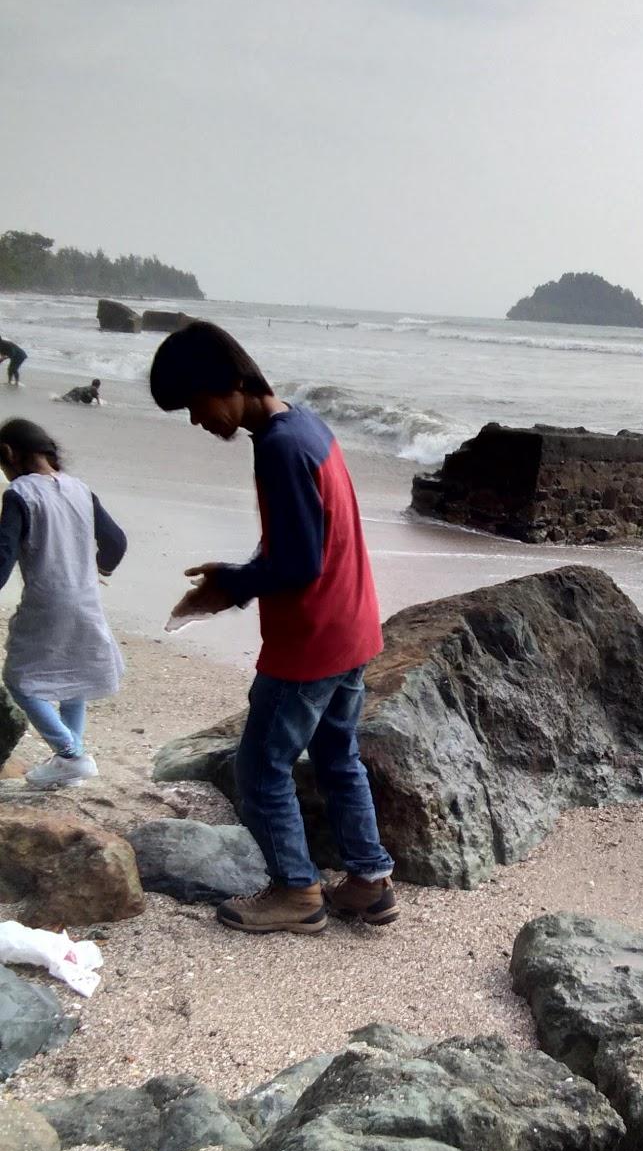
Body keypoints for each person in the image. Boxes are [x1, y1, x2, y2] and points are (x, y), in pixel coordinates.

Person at [149, 320, 398, 936]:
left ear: (232, 382)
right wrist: (241, 574)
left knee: (260, 768)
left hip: (309, 642)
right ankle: (369, 881)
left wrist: (230, 585)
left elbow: (299, 562)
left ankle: (297, 892)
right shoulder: (306, 425)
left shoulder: (280, 446)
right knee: (338, 757)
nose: (195, 420)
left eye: (195, 403)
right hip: (353, 625)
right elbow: (301, 540)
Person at [0, 419, 126, 787]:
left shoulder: (20, 493)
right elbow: (116, 542)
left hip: (47, 600)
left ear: (9, 454)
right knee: (75, 680)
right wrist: (93, 566)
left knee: (19, 680)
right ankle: (69, 765)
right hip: (86, 597)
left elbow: (3, 558)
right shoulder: (80, 489)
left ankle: (71, 753)